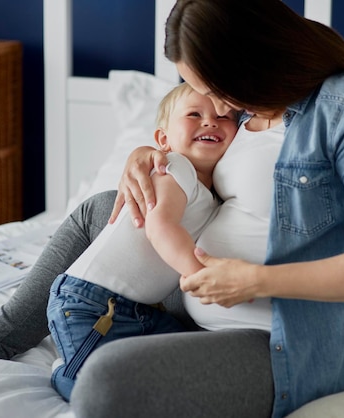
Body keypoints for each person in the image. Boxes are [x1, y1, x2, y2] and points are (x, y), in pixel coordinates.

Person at [0, 1, 344, 417]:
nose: (219, 107)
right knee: (100, 209)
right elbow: (209, 171)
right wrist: (147, 157)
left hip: (277, 331)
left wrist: (253, 281)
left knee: (103, 387)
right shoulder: (254, 105)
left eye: (219, 89)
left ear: (251, 57)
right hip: (195, 288)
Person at [45, 82, 238, 401]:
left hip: (140, 311)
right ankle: (61, 371)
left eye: (225, 116)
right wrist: (199, 273)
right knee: (93, 392)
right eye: (194, 114)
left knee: (184, 359)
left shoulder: (212, 196)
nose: (211, 121)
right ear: (163, 140)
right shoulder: (174, 166)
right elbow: (160, 227)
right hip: (90, 305)